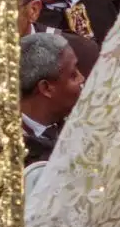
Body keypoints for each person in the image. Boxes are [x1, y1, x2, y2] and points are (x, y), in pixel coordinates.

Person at [19, 27, 82, 166]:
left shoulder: (85, 123)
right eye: (73, 75)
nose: (82, 79)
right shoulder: (9, 151)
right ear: (46, 88)